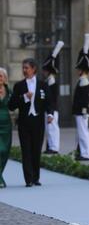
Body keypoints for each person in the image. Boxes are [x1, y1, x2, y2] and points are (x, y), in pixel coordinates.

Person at [8, 59, 53, 187]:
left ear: (34, 69)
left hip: (38, 122)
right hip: (24, 122)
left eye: (26, 68)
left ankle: (36, 177)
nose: (24, 70)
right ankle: (28, 179)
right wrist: (24, 98)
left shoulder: (43, 85)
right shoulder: (19, 86)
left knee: (36, 150)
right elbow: (11, 105)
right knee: (26, 150)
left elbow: (49, 102)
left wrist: (50, 114)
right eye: (23, 68)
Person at [73, 34, 89, 161]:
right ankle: (81, 151)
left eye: (79, 68)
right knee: (80, 133)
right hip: (79, 111)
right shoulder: (81, 80)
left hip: (82, 111)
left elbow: (85, 98)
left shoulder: (84, 81)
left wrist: (84, 110)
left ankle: (85, 153)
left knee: (83, 133)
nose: (77, 70)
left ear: (82, 69)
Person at [42, 41, 64, 155]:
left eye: (45, 70)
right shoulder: (48, 82)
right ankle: (50, 146)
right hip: (49, 109)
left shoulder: (52, 83)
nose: (43, 72)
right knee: (49, 130)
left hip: (52, 109)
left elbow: (52, 99)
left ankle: (54, 147)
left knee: (53, 129)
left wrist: (51, 111)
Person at [0, 68, 12, 188]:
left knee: (5, 152)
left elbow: (14, 104)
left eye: (1, 76)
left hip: (6, 125)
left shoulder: (9, 91)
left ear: (5, 78)